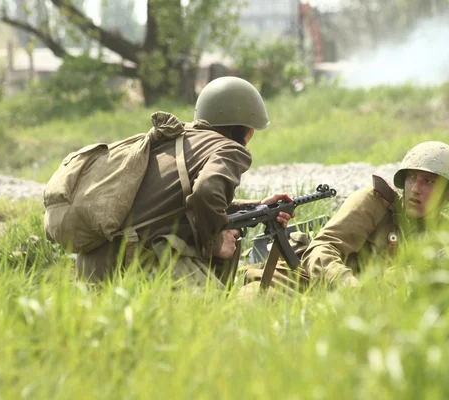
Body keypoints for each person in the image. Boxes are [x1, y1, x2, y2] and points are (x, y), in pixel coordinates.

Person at [75, 77, 293, 287]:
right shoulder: (229, 149)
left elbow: (182, 204)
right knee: (214, 314)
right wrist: (216, 243)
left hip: (93, 265)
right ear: (245, 127)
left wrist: (259, 207)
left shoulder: (173, 140)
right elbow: (205, 193)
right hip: (133, 264)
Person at [301, 141, 449, 289]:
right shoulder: (373, 203)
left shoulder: (447, 234)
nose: (415, 189)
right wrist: (348, 285)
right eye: (411, 178)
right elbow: (320, 248)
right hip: (304, 284)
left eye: (428, 181)